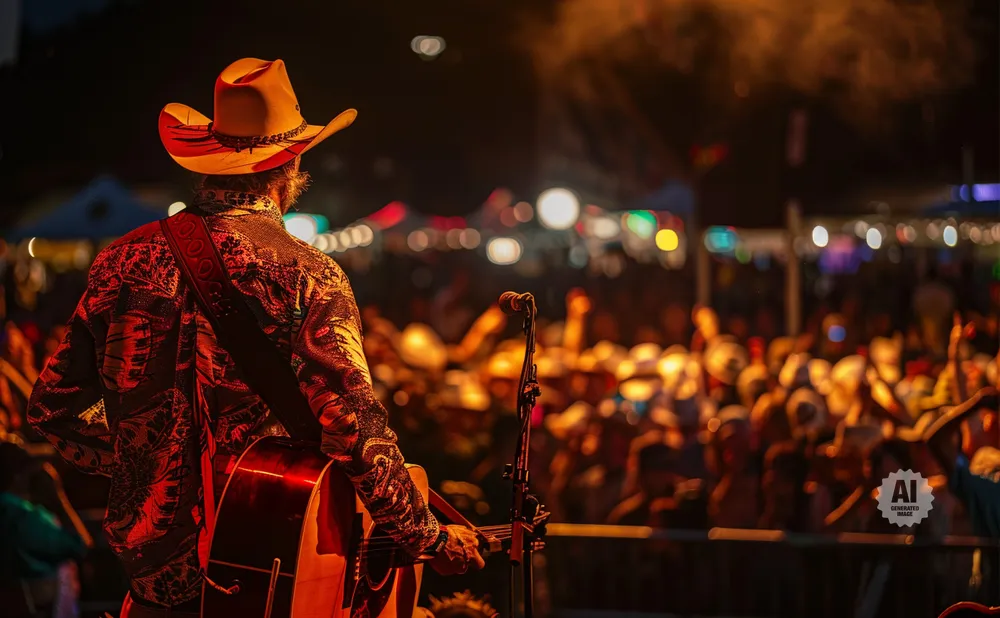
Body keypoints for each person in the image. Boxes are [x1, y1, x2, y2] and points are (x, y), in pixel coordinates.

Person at [27, 58, 484, 617]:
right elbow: (352, 427)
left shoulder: (119, 262)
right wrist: (428, 538)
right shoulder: (308, 273)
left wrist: (147, 460)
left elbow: (53, 410)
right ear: (289, 165)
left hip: (154, 586)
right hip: (272, 574)